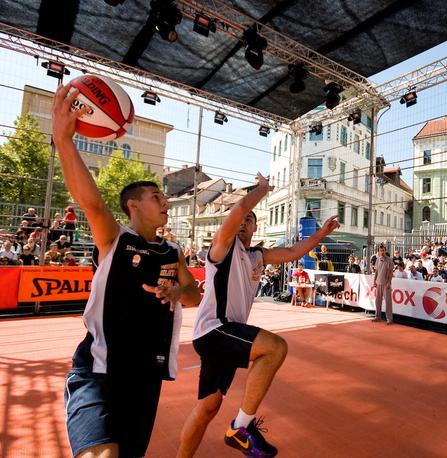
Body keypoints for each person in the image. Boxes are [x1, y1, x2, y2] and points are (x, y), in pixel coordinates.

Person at [53, 85, 201, 458]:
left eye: (164, 197)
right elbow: (90, 199)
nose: (165, 202)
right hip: (99, 370)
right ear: (133, 206)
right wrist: (64, 140)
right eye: (156, 197)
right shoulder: (114, 239)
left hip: (146, 377)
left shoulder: (172, 250)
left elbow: (194, 294)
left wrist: (176, 294)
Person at [179, 173, 340, 458]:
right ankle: (241, 428)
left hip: (225, 335)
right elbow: (238, 211)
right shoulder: (223, 248)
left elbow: (292, 251)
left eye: (249, 220)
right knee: (275, 348)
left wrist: (321, 235)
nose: (242, 222)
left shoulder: (257, 256)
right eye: (239, 219)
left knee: (208, 407)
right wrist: (262, 189)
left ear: (255, 227)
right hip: (214, 329)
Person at [373, 244, 395, 324]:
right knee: (377, 301)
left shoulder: (389, 260)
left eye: (383, 250)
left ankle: (389, 319)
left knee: (388, 302)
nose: (382, 252)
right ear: (378, 251)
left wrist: (389, 282)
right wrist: (374, 281)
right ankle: (377, 317)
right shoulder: (377, 259)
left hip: (386, 284)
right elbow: (376, 271)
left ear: (385, 251)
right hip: (378, 283)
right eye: (380, 250)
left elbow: (390, 273)